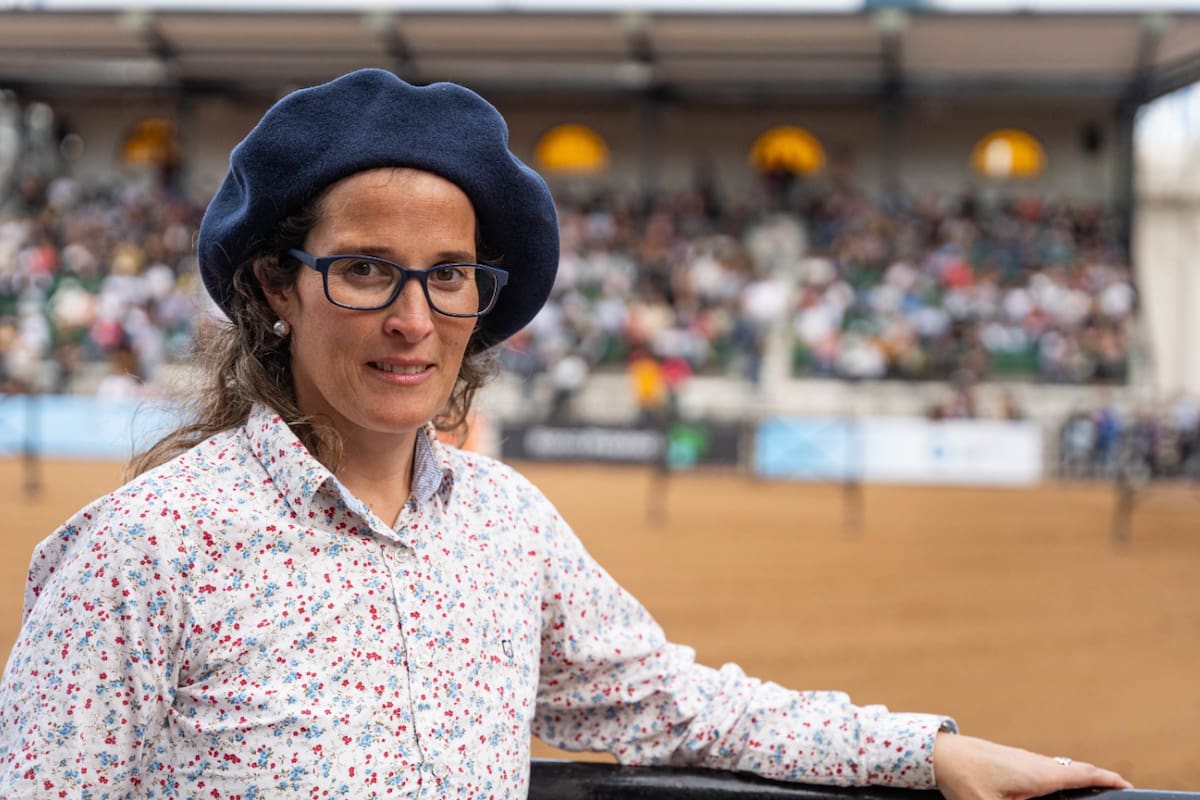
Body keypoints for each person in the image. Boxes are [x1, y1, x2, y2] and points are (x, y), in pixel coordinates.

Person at [0, 69, 1130, 800]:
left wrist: (928, 750)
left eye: (448, 274)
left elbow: (677, 703)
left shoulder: (508, 525)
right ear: (274, 288)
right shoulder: (144, 549)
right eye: (365, 269)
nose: (413, 319)